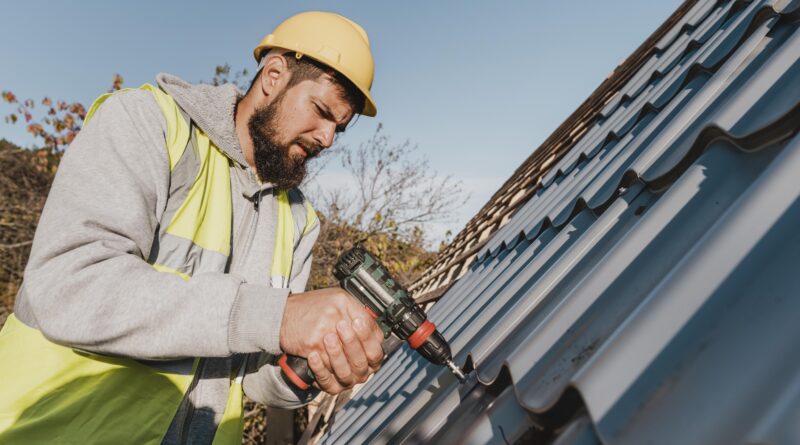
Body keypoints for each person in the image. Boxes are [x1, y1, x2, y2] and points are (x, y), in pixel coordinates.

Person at [0, 11, 385, 445]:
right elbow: (70, 286)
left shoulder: (298, 218)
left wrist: (313, 364)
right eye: (321, 111)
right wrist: (276, 316)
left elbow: (255, 377)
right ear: (275, 75)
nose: (328, 138)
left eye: (340, 127)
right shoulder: (148, 124)